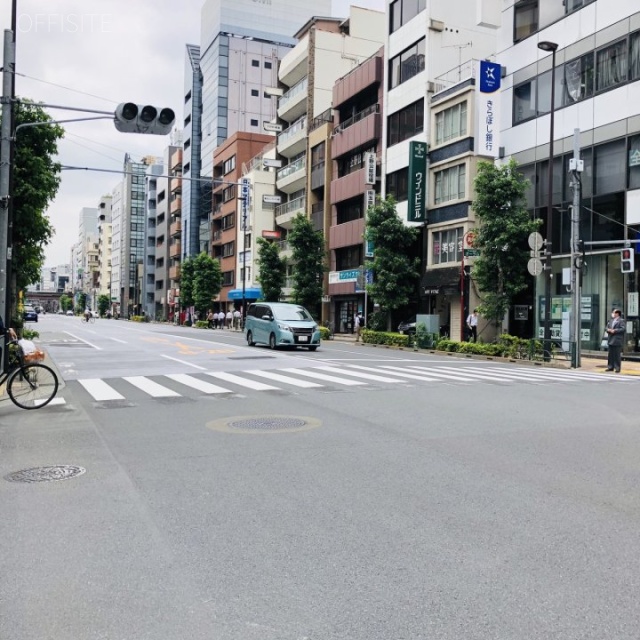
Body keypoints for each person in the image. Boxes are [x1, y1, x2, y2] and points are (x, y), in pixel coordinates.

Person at [605, 308, 625, 372]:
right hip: (610, 339)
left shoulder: (621, 321)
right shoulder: (610, 320)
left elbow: (623, 329)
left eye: (614, 313)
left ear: (617, 314)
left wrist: (615, 330)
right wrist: (608, 330)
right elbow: (606, 327)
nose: (613, 314)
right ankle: (610, 367)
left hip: (617, 340)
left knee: (617, 355)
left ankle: (617, 367)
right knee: (610, 354)